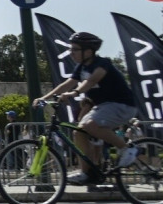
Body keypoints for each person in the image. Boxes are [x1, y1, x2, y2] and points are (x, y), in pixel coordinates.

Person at [33, 31, 142, 187]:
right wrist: (44, 98)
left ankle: (127, 149)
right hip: (103, 107)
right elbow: (67, 83)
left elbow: (91, 81)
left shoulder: (102, 64)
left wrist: (74, 93)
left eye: (75, 49)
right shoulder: (81, 67)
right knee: (79, 132)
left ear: (89, 51)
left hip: (122, 105)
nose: (71, 53)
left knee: (90, 125)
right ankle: (87, 173)